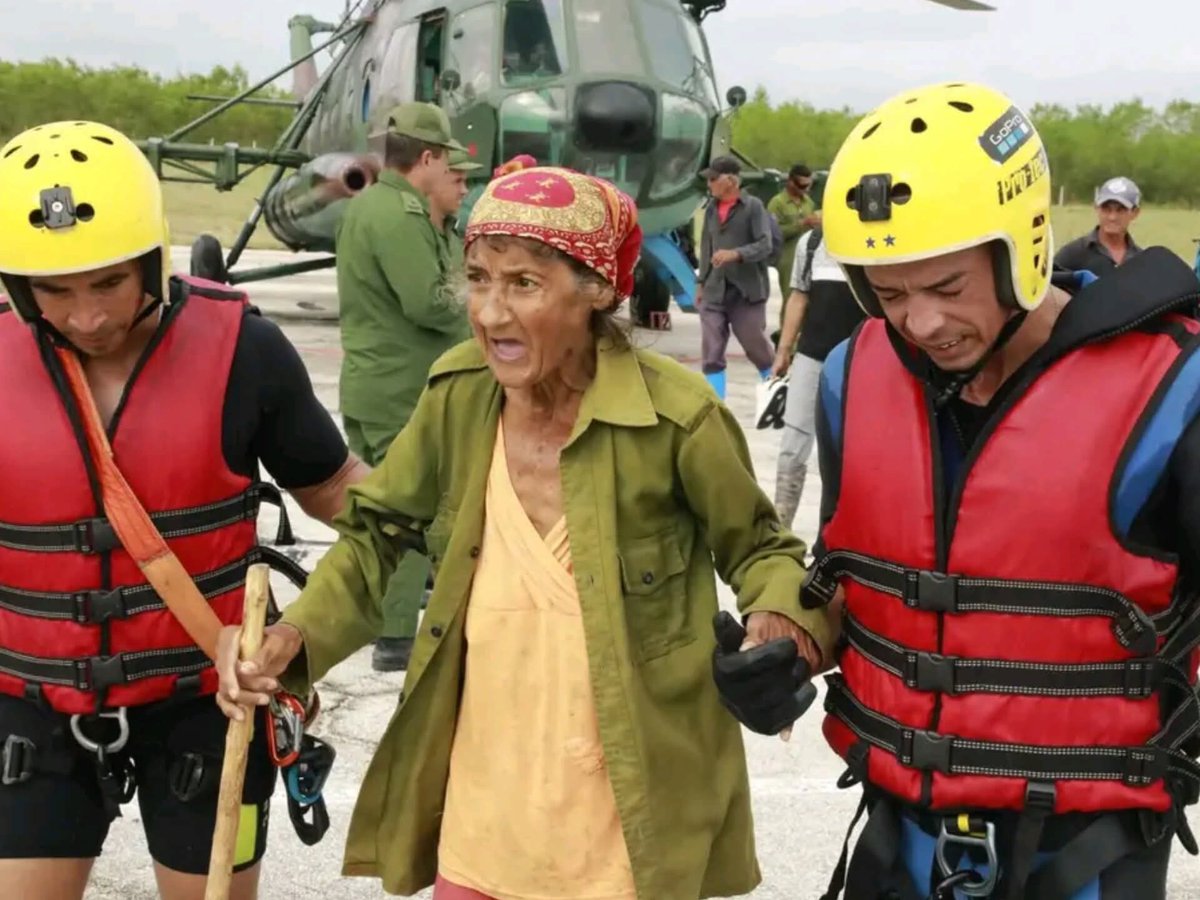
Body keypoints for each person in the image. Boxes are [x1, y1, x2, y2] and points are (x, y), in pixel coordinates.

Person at [214, 165, 835, 899]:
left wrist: (777, 628)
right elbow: (375, 535)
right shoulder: (458, 394)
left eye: (524, 284)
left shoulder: (677, 419)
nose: (491, 313)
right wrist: (295, 638)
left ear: (596, 291)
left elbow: (764, 550)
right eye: (479, 279)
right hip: (484, 812)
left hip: (629, 819)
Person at [722, 81, 1200, 899]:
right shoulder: (852, 379)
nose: (922, 323)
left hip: (1086, 853)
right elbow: (855, 576)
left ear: (1025, 248)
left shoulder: (1175, 391)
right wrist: (791, 645)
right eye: (891, 292)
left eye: (947, 288)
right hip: (894, 841)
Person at [0, 121, 366, 900]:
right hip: (29, 709)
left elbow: (347, 498)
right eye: (54, 291)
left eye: (106, 282)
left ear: (151, 261)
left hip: (210, 706)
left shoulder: (247, 352)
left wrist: (475, 517)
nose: (87, 315)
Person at [334, 101, 472, 673]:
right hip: (402, 392)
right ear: (429, 157)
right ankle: (397, 635)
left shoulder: (378, 207)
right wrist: (487, 309)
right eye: (451, 167)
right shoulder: (399, 216)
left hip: (373, 383)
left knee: (376, 513)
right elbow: (430, 301)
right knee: (416, 508)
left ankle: (375, 618)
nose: (458, 180)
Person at [769, 227, 865, 529]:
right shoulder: (810, 243)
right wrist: (784, 349)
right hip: (811, 357)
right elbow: (799, 297)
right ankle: (781, 526)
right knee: (792, 446)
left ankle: (836, 532)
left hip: (860, 361)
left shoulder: (873, 241)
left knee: (847, 452)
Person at [696, 155, 778, 399]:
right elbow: (706, 247)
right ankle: (716, 405)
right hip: (714, 289)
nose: (709, 184)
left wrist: (736, 254)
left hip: (746, 291)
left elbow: (765, 245)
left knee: (756, 347)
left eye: (713, 179)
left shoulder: (753, 207)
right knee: (711, 351)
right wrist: (700, 283)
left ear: (731, 181)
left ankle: (775, 392)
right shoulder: (710, 209)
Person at [1054, 176, 1143, 278]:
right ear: (1096, 208)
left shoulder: (1141, 260)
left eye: (1121, 210)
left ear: (1135, 213)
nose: (1112, 217)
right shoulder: (1072, 254)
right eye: (1106, 209)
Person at [767, 164, 821, 312]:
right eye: (802, 185)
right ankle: (786, 331)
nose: (805, 189)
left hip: (809, 255)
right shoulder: (777, 203)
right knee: (791, 297)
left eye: (808, 185)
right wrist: (801, 224)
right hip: (787, 257)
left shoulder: (808, 202)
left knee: (809, 297)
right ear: (791, 182)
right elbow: (772, 233)